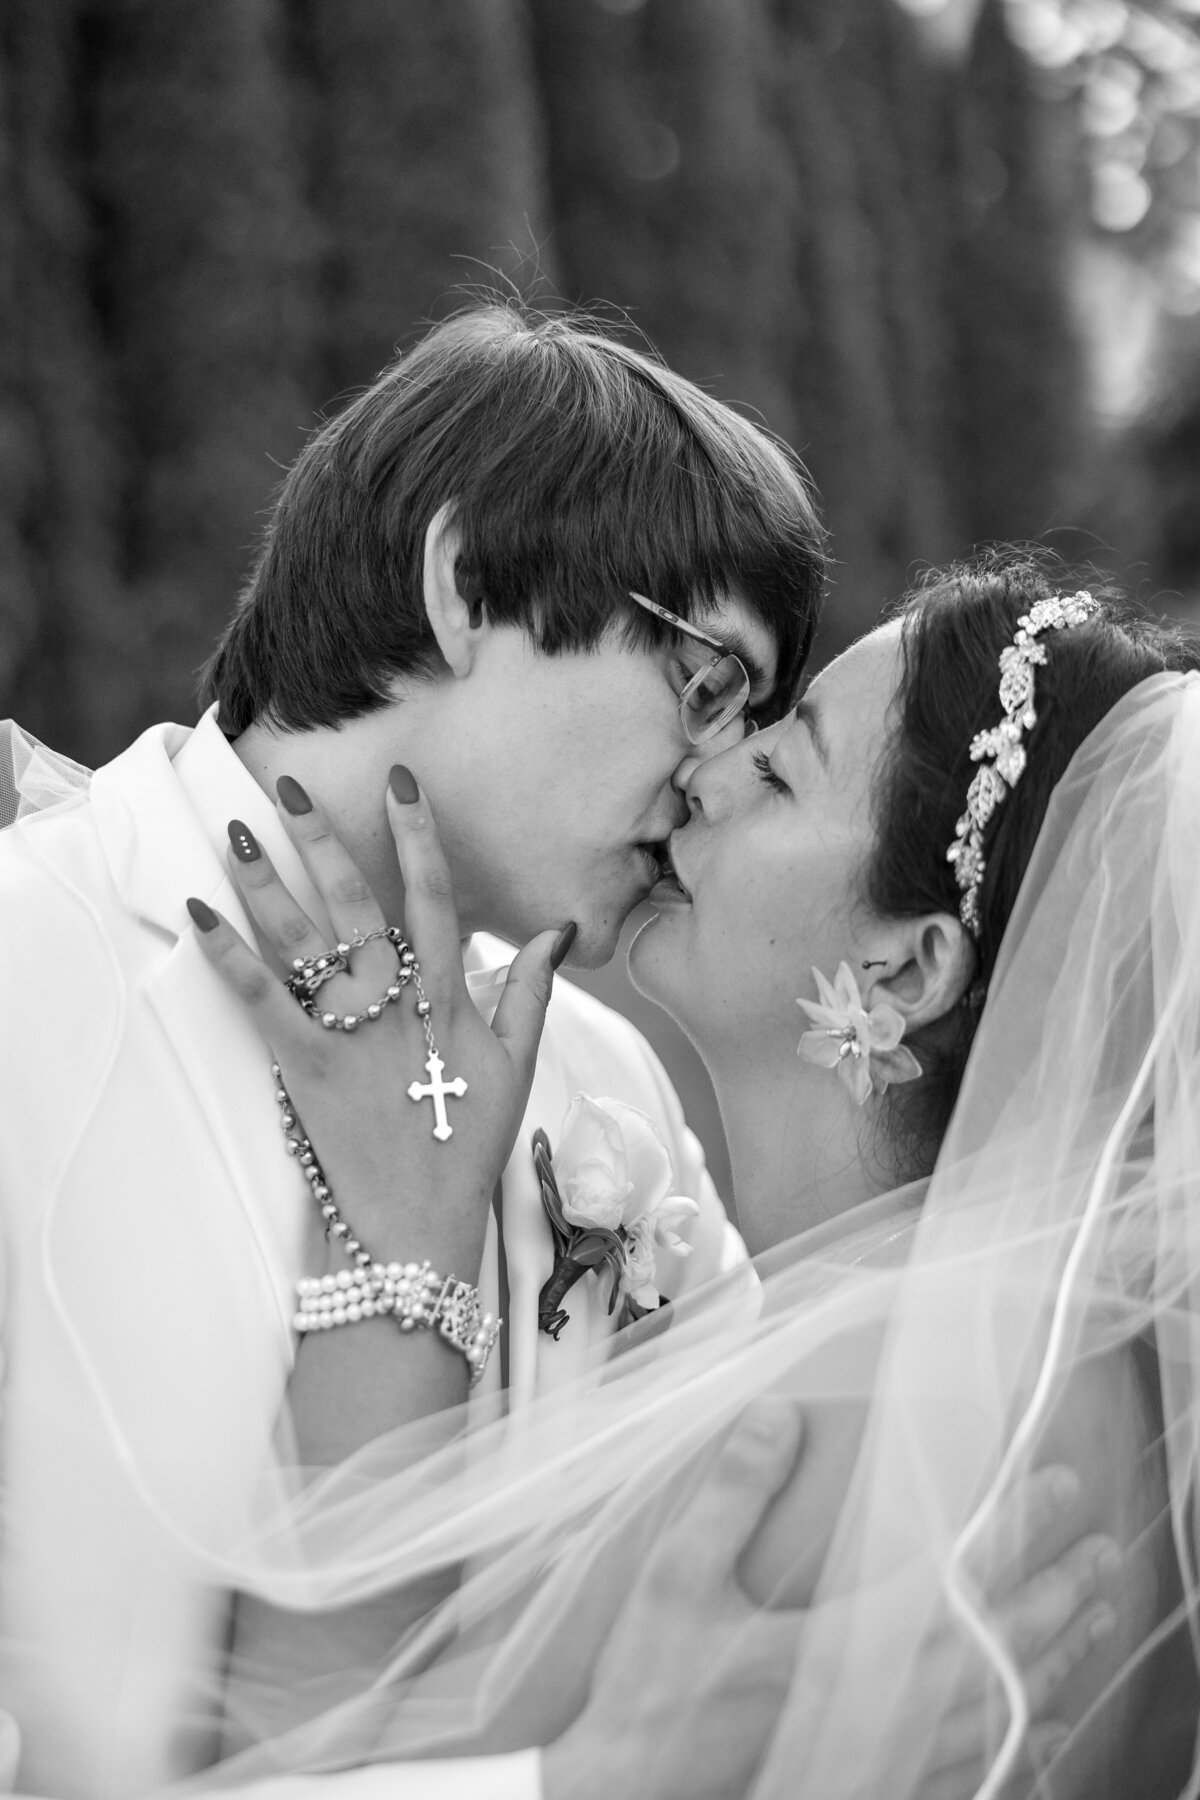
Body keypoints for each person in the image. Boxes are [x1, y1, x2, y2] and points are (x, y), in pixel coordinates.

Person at [186, 548, 1200, 1797]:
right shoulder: (1091, 1388)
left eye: (778, 768)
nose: (703, 771)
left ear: (904, 971)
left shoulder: (809, 1428)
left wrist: (405, 1236)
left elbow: (290, 1763)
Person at [0, 301, 833, 1797]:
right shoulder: (31, 965)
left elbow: (735, 1599)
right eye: (706, 683)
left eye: (757, 725)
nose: (713, 778)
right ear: (464, 586)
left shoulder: (602, 1083)